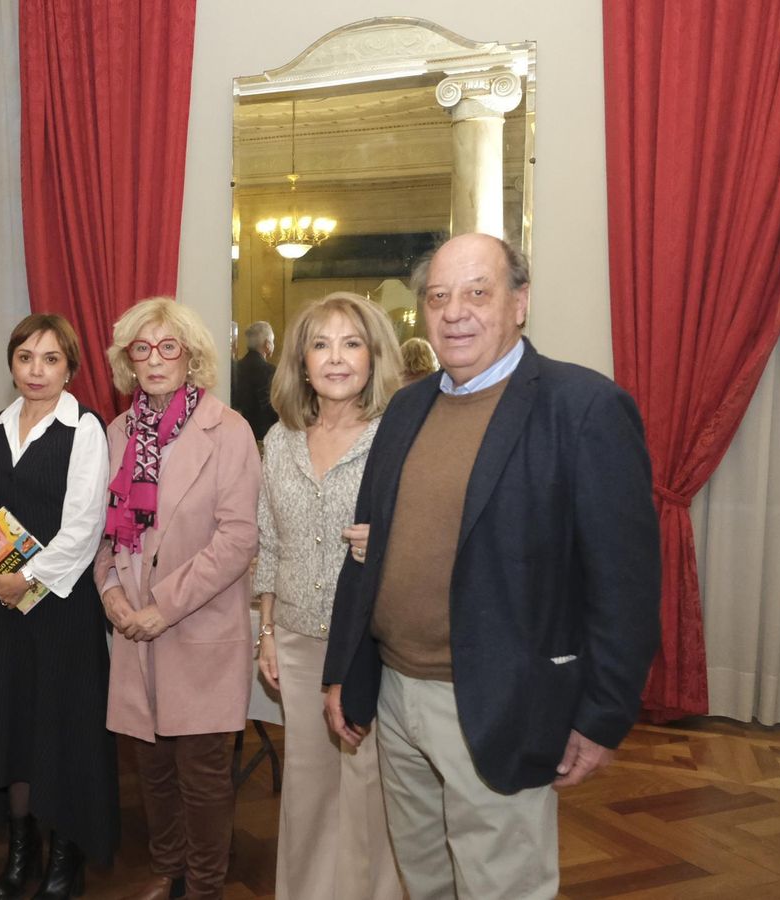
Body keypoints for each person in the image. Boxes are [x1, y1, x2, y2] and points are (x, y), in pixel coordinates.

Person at [323, 234, 661, 899]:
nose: (455, 312)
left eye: (478, 292)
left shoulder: (583, 408)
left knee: (502, 887)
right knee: (426, 880)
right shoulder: (407, 409)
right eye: (438, 297)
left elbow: (625, 586)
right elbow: (366, 552)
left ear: (520, 302)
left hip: (502, 700)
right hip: (397, 694)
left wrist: (602, 716)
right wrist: (345, 671)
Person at [95, 297, 260, 900]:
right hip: (133, 629)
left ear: (190, 357)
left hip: (199, 624)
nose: (156, 359)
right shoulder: (116, 433)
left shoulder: (229, 430)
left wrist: (161, 608)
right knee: (153, 768)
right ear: (129, 360)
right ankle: (169, 870)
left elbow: (238, 539)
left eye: (169, 347)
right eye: (143, 348)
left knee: (203, 774)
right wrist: (111, 594)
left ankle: (207, 886)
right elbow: (102, 533)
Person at [0, 314, 118, 900]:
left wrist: (26, 578)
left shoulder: (85, 429)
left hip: (62, 607)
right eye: (25, 357)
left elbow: (85, 526)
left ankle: (65, 856)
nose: (37, 370)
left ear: (70, 367)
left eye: (50, 359)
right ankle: (21, 851)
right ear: (12, 364)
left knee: (62, 728)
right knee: (14, 726)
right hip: (6, 604)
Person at [253, 293, 402, 900]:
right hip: (294, 640)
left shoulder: (395, 438)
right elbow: (268, 540)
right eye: (321, 344)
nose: (336, 358)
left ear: (373, 356)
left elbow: (429, 534)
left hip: (369, 644)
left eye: (351, 343)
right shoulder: (280, 440)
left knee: (369, 793)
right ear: (302, 361)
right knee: (308, 791)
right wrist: (266, 633)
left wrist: (389, 540)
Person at [231, 320, 279, 441]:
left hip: (238, 433)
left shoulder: (235, 368)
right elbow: (274, 408)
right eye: (272, 341)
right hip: (264, 436)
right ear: (267, 344)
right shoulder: (270, 371)